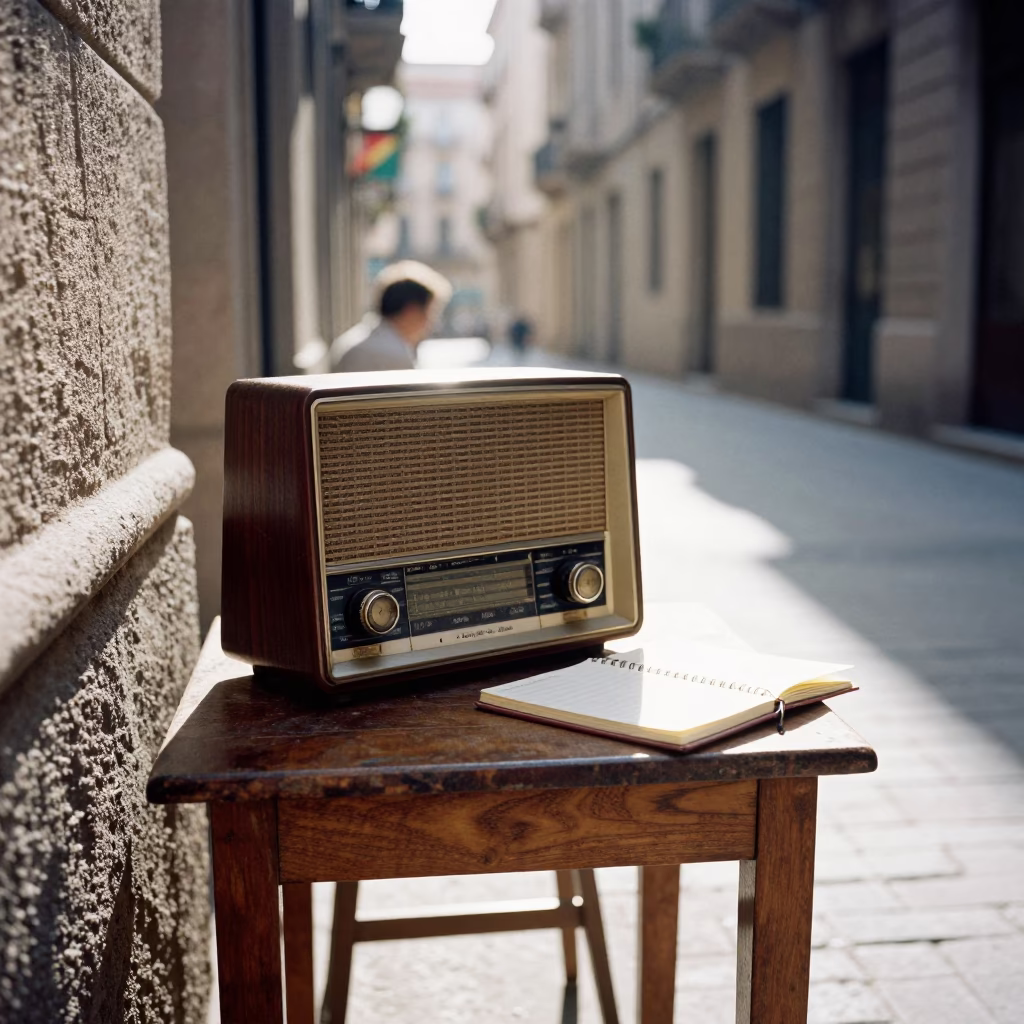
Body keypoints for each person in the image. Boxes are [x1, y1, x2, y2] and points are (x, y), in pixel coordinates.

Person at [331, 261, 451, 372]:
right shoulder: (391, 354)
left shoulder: (360, 339)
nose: (432, 322)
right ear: (411, 311)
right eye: (431, 312)